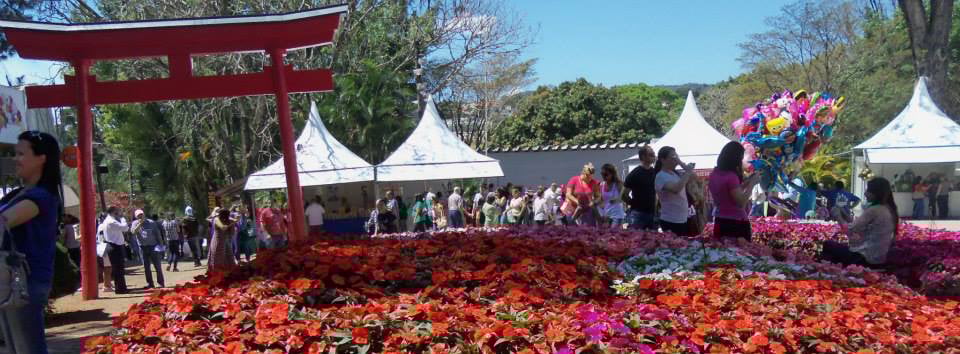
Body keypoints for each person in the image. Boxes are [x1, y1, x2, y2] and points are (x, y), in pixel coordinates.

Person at [0, 131, 62, 353]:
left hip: (25, 282)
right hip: (9, 281)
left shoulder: (41, 197)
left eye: (20, 153)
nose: (15, 159)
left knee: (28, 349)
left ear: (41, 158)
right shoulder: (18, 194)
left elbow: (5, 220)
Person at [820, 177, 898, 267]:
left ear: (877, 193)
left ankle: (831, 275)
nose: (865, 194)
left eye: (868, 191)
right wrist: (845, 214)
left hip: (865, 258)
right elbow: (858, 227)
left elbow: (850, 230)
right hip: (879, 259)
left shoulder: (874, 210)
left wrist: (838, 216)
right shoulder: (889, 209)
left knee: (828, 245)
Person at [708, 141, 761, 240]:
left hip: (719, 220)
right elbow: (741, 203)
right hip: (735, 223)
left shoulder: (714, 173)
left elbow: (730, 192)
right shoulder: (731, 176)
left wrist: (747, 182)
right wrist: (752, 184)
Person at [654, 146, 695, 236]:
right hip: (670, 220)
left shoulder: (675, 173)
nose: (675, 160)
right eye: (673, 158)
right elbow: (676, 189)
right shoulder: (661, 176)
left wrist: (681, 163)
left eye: (676, 157)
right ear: (663, 160)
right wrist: (687, 171)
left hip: (682, 219)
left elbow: (693, 177)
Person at [623, 145, 658, 230]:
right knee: (636, 240)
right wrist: (634, 204)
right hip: (637, 214)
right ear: (643, 156)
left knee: (653, 241)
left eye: (653, 154)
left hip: (652, 213)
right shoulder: (635, 174)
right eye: (651, 154)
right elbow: (624, 194)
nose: (654, 156)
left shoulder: (655, 172)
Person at [132, 209, 165, 289]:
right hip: (143, 248)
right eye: (138, 216)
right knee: (146, 267)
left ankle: (161, 283)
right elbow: (133, 232)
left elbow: (157, 234)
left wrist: (161, 245)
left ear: (144, 214)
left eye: (141, 215)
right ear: (136, 217)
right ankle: (150, 283)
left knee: (157, 266)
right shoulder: (135, 223)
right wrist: (140, 224)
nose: (140, 216)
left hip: (153, 246)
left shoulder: (151, 222)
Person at [100, 206, 129, 294]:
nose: (119, 212)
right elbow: (125, 228)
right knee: (118, 268)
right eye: (117, 211)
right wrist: (123, 218)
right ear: (114, 212)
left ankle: (121, 287)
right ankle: (120, 289)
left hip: (114, 246)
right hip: (114, 246)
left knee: (118, 268)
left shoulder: (109, 220)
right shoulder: (111, 221)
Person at [208, 208, 238, 273]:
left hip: (226, 241)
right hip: (218, 241)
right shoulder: (216, 219)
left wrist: (234, 221)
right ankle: (217, 273)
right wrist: (231, 223)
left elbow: (232, 232)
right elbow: (222, 227)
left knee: (229, 257)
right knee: (218, 257)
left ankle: (230, 273)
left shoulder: (229, 220)